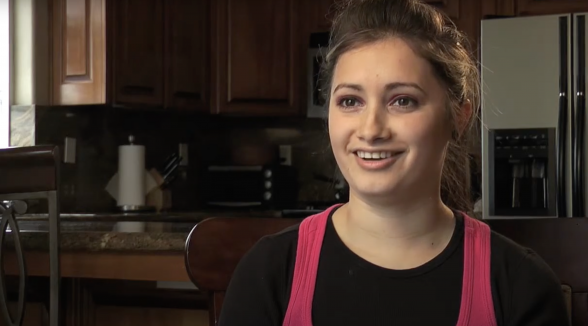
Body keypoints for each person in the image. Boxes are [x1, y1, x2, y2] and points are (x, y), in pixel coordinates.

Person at [217, 0, 571, 325]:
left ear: (459, 117)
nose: (370, 130)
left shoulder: (520, 285)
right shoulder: (269, 273)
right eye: (350, 101)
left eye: (402, 101)